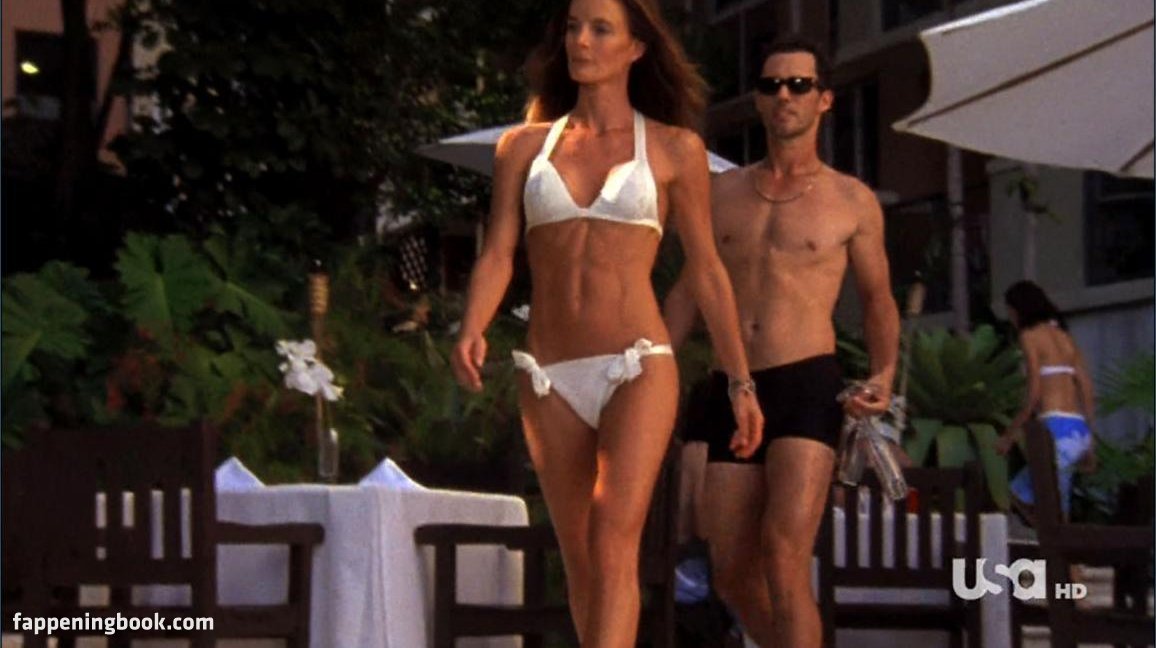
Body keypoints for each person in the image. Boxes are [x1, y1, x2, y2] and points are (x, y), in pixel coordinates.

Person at [449, 1, 764, 645]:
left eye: (600, 29)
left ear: (636, 48)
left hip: (637, 363)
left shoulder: (674, 149)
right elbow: (500, 252)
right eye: (573, 27)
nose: (581, 41)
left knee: (613, 537)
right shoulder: (523, 147)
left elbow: (707, 270)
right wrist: (472, 325)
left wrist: (740, 380)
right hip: (548, 375)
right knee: (581, 560)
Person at [664, 35, 900, 648]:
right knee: (730, 571)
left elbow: (878, 299)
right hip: (731, 383)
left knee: (784, 555)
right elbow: (689, 290)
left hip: (805, 382)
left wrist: (884, 373)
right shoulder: (721, 193)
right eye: (772, 85)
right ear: (758, 100)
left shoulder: (851, 200)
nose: (784, 96)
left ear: (824, 99)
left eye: (799, 85)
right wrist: (654, 368)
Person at [995, 280, 1098, 523]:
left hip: (1055, 427)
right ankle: (1044, 536)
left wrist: (1010, 434)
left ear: (1019, 309)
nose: (1010, 318)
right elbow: (1086, 387)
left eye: (1010, 311)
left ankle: (1051, 541)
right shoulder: (1065, 337)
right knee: (1049, 499)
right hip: (1077, 429)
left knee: (1043, 503)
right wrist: (1089, 438)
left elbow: (1033, 393)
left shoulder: (1030, 337)